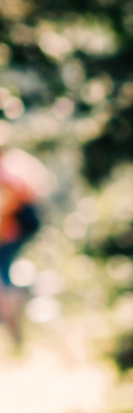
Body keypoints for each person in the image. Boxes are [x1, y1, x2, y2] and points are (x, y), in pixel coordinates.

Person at [0, 148, 48, 359]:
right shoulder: (15, 162)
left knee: (3, 278)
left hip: (12, 231)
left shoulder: (7, 171)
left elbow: (10, 203)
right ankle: (13, 326)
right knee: (5, 276)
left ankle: (12, 323)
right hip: (17, 229)